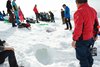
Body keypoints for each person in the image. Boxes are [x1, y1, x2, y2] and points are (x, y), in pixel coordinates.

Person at [72, 0, 99, 67]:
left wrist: (74, 39)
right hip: (91, 39)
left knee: (83, 58)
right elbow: (97, 24)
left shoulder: (79, 12)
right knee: (89, 55)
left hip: (82, 40)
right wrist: (96, 34)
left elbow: (78, 28)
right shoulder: (93, 10)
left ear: (77, 2)